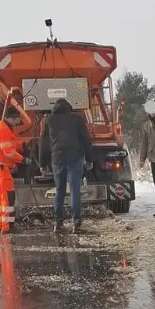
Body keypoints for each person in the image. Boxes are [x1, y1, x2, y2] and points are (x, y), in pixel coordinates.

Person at [40, 97, 94, 233]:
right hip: (74, 158)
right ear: (69, 107)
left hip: (57, 159)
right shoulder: (77, 118)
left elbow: (44, 143)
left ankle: (58, 223)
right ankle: (76, 223)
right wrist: (89, 159)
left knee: (60, 191)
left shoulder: (49, 120)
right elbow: (86, 139)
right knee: (75, 190)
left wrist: (43, 163)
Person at [0, 108, 27, 233]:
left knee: (1, 197)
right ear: (13, 118)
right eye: (17, 121)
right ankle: (7, 226)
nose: (17, 123)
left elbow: (11, 144)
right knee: (7, 197)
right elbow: (9, 152)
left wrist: (22, 145)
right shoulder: (4, 129)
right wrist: (23, 160)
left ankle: (0, 224)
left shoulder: (4, 127)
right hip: (0, 167)